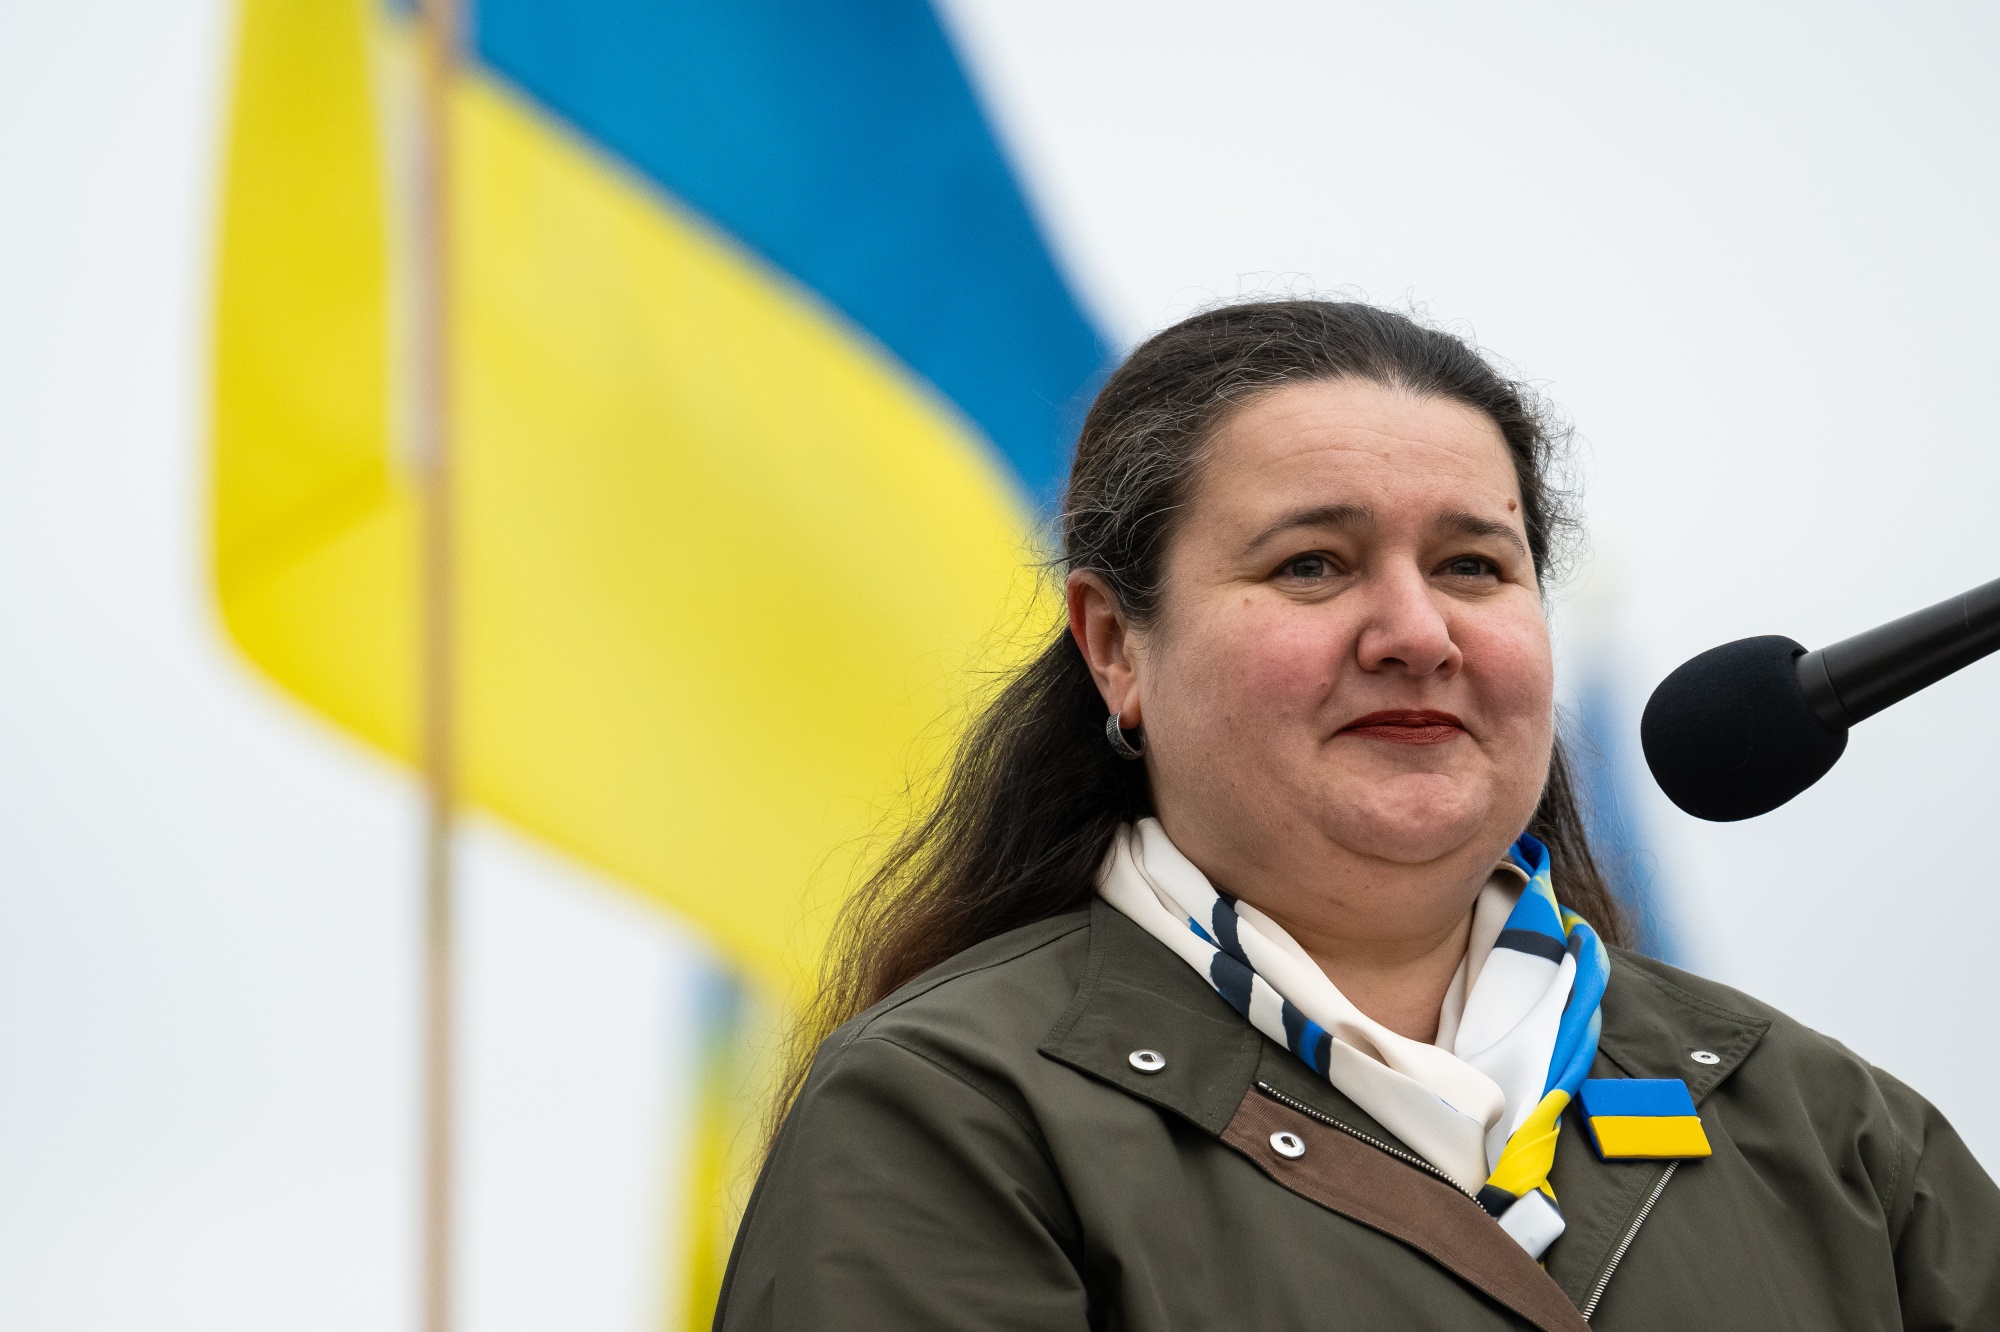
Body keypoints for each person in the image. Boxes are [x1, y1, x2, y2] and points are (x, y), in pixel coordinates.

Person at [713, 300, 2000, 1330]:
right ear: (1113, 647)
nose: (1415, 633)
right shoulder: (955, 1108)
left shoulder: (1826, 1129)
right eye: (1312, 565)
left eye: (1471, 566)